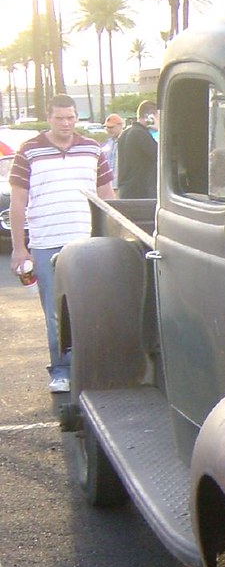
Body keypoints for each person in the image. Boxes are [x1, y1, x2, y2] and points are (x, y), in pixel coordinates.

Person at [7, 94, 115, 393]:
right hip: (45, 243)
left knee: (93, 307)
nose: (66, 123)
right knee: (55, 311)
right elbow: (18, 203)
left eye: (70, 118)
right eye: (59, 118)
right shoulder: (28, 151)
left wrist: (114, 239)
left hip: (87, 243)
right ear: (48, 117)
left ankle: (92, 367)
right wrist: (20, 247)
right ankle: (61, 370)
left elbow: (108, 197)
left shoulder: (92, 149)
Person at [118, 100, 158, 198]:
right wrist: (159, 130)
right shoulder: (140, 134)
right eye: (157, 116)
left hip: (127, 191)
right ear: (150, 116)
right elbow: (160, 155)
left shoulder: (125, 133)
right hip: (141, 193)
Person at [101, 113, 123, 192]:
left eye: (111, 127)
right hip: (110, 185)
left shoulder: (125, 141)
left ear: (120, 126)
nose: (109, 130)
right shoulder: (109, 143)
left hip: (120, 185)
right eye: (107, 127)